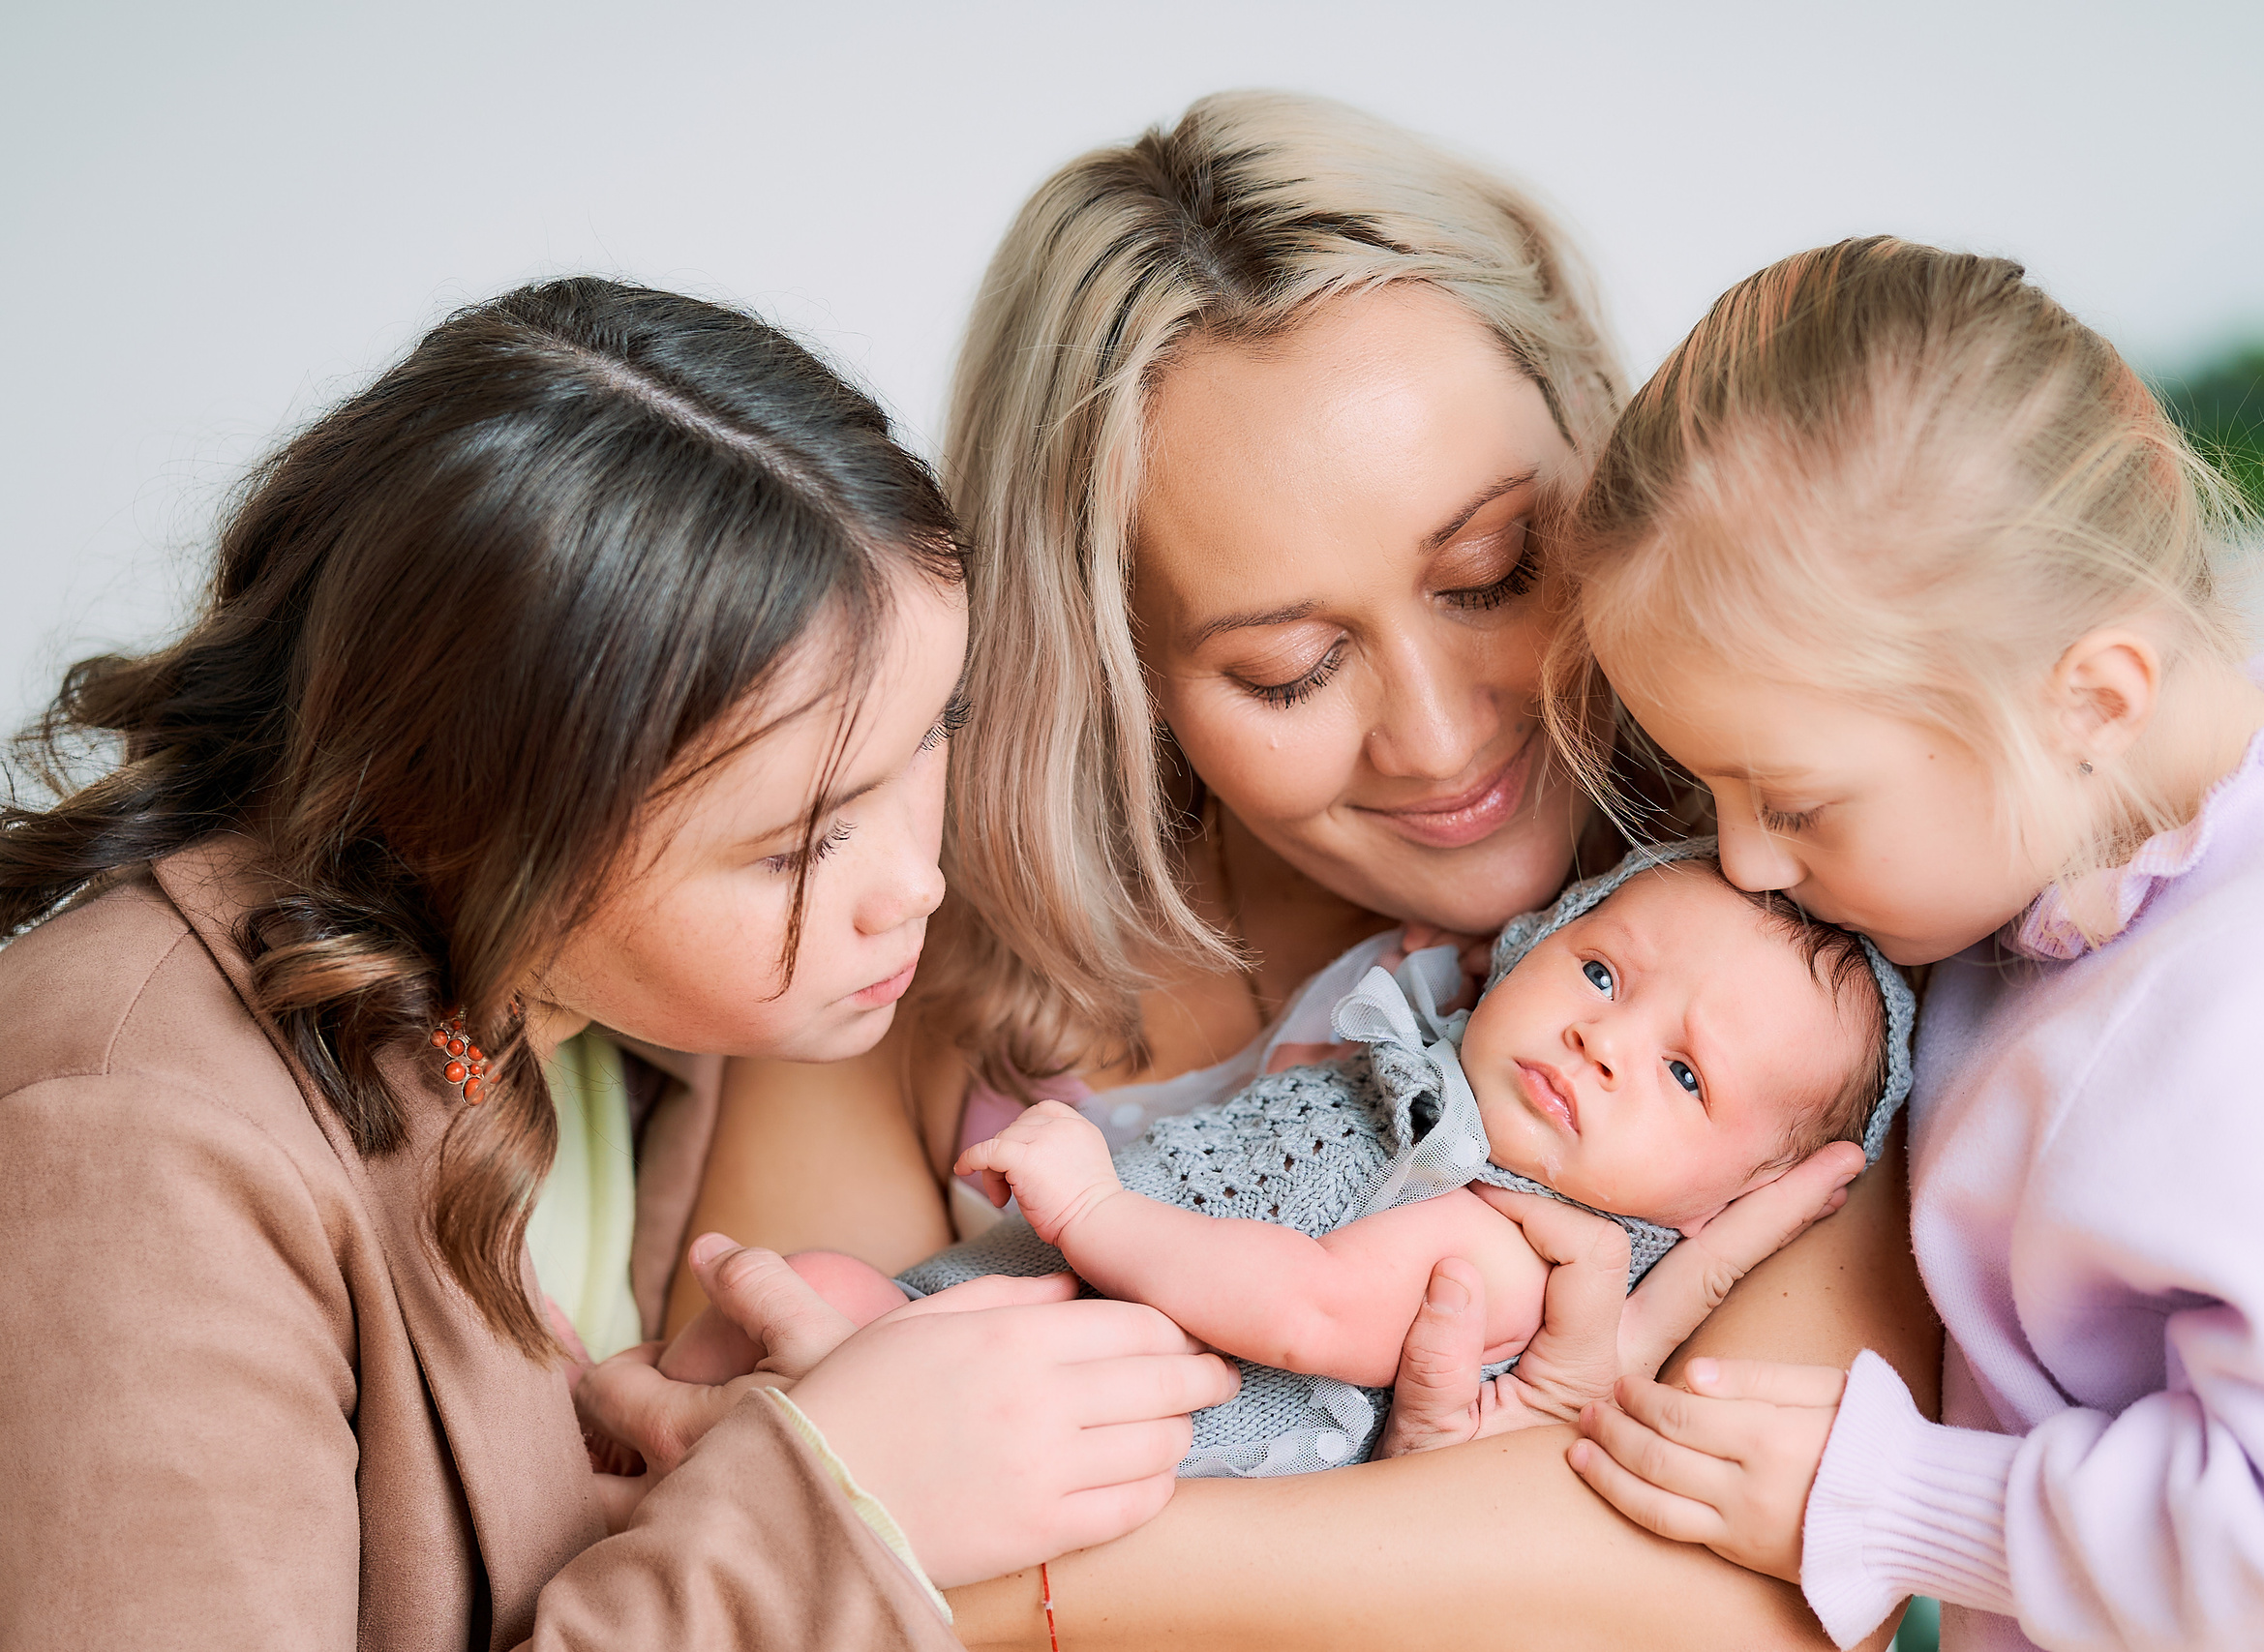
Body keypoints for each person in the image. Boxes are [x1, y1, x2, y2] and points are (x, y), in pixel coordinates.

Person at [669, 93, 1941, 1648]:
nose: (1435, 732)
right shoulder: (918, 953)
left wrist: (995, 1564)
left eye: (1493, 574)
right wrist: (1486, 1529)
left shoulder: (1794, 964)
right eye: (1286, 669)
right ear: (1115, 661)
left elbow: (1760, 1605)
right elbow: (731, 1510)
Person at [0, 278, 1236, 1648]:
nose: (918, 884)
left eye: (935, 728)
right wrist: (837, 1500)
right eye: (801, 841)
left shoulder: (579, 1018)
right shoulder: (130, 1139)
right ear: (453, 812)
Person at [1555, 238, 2264, 1648]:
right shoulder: (2051, 869)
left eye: (1792, 800)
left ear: (2092, 702)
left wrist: (1893, 1495)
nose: (1742, 857)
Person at [668, 844, 1914, 1484]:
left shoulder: (1511, 1239)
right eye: (1600, 971)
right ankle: (622, 1457)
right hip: (994, 1341)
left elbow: (1309, 1309)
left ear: (1735, 1199)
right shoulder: (1426, 1064)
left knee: (811, 1323)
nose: (1603, 1040)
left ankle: (658, 1495)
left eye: (1686, 1077)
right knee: (789, 1296)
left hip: (1069, 1433)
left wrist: (1096, 1201)